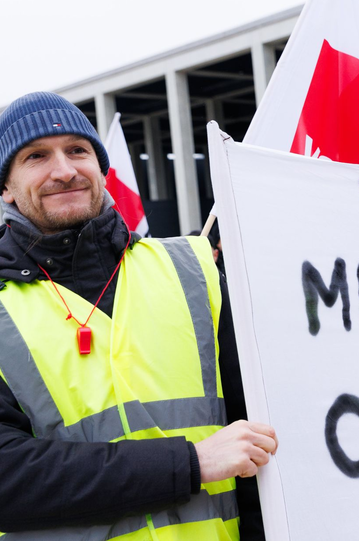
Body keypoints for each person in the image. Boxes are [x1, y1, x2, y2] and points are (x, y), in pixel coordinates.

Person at [0, 92, 276, 539]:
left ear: (101, 169)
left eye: (78, 150)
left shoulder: (194, 269)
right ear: (6, 187)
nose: (65, 170)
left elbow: (260, 437)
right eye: (36, 156)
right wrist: (191, 464)